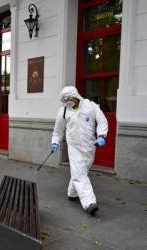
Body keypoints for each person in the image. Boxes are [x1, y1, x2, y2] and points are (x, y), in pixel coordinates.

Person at [51, 86, 108, 215]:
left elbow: (102, 121)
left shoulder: (91, 106)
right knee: (80, 174)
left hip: (89, 147)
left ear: (75, 95)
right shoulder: (63, 111)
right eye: (64, 100)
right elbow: (58, 131)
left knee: (81, 172)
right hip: (74, 148)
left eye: (68, 99)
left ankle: (72, 193)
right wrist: (55, 142)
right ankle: (89, 203)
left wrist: (101, 135)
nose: (66, 102)